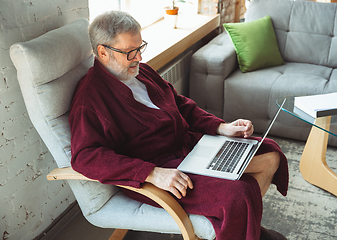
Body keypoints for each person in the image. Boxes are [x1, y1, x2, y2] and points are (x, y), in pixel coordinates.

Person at [69, 11, 289, 240]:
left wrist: (220, 127)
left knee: (270, 153)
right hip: (164, 172)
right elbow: (86, 157)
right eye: (130, 52)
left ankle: (244, 229)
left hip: (191, 147)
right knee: (239, 193)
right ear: (103, 52)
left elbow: (179, 104)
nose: (139, 58)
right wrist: (152, 174)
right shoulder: (90, 100)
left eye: (140, 48)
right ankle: (247, 231)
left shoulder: (141, 72)